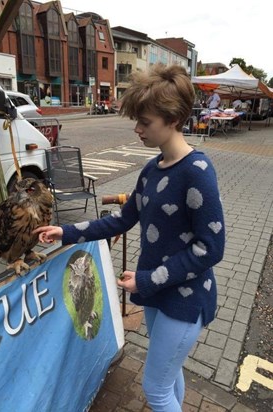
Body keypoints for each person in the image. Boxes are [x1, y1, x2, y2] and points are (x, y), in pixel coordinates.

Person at [34, 63, 225, 412]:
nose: (137, 129)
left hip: (183, 299)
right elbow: (123, 219)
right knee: (168, 376)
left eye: (145, 122)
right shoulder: (152, 169)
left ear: (173, 119)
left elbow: (211, 248)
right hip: (154, 294)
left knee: (155, 389)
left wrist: (148, 279)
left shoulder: (198, 172)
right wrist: (68, 231)